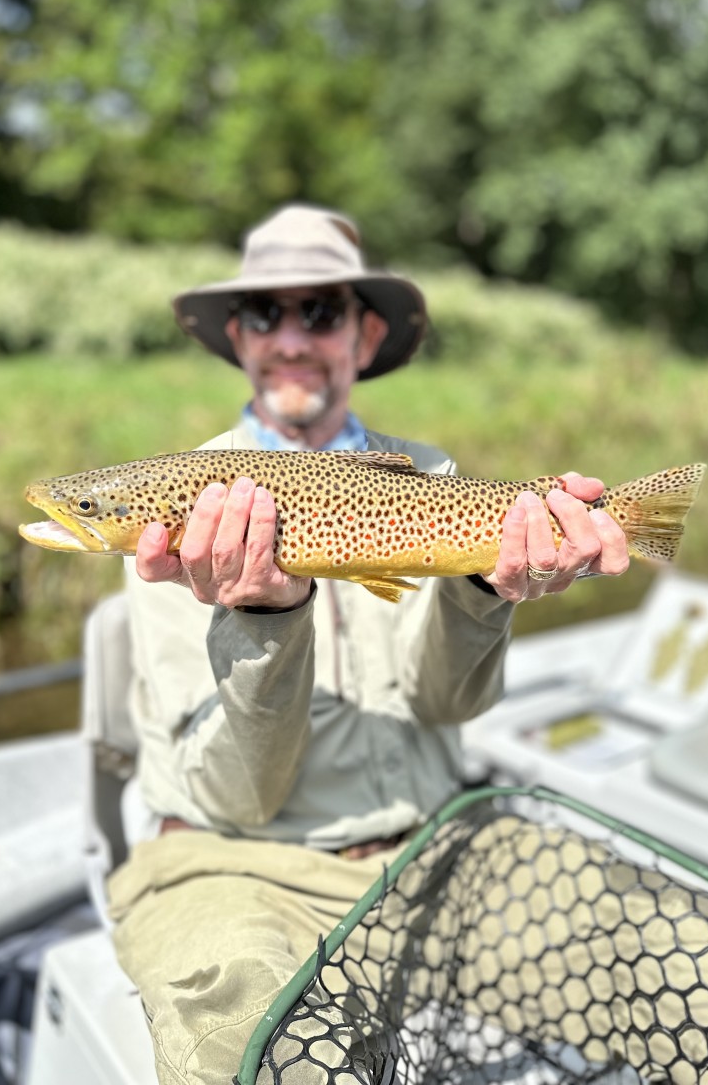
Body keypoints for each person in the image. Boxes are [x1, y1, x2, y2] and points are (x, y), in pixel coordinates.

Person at [106, 205, 630, 1084]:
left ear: (365, 329)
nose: (292, 338)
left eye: (321, 312)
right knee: (249, 1050)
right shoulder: (184, 510)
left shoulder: (432, 478)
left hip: (439, 852)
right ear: (237, 335)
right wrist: (266, 620)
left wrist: (483, 589)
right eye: (266, 314)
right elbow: (239, 794)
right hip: (234, 866)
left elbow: (447, 705)